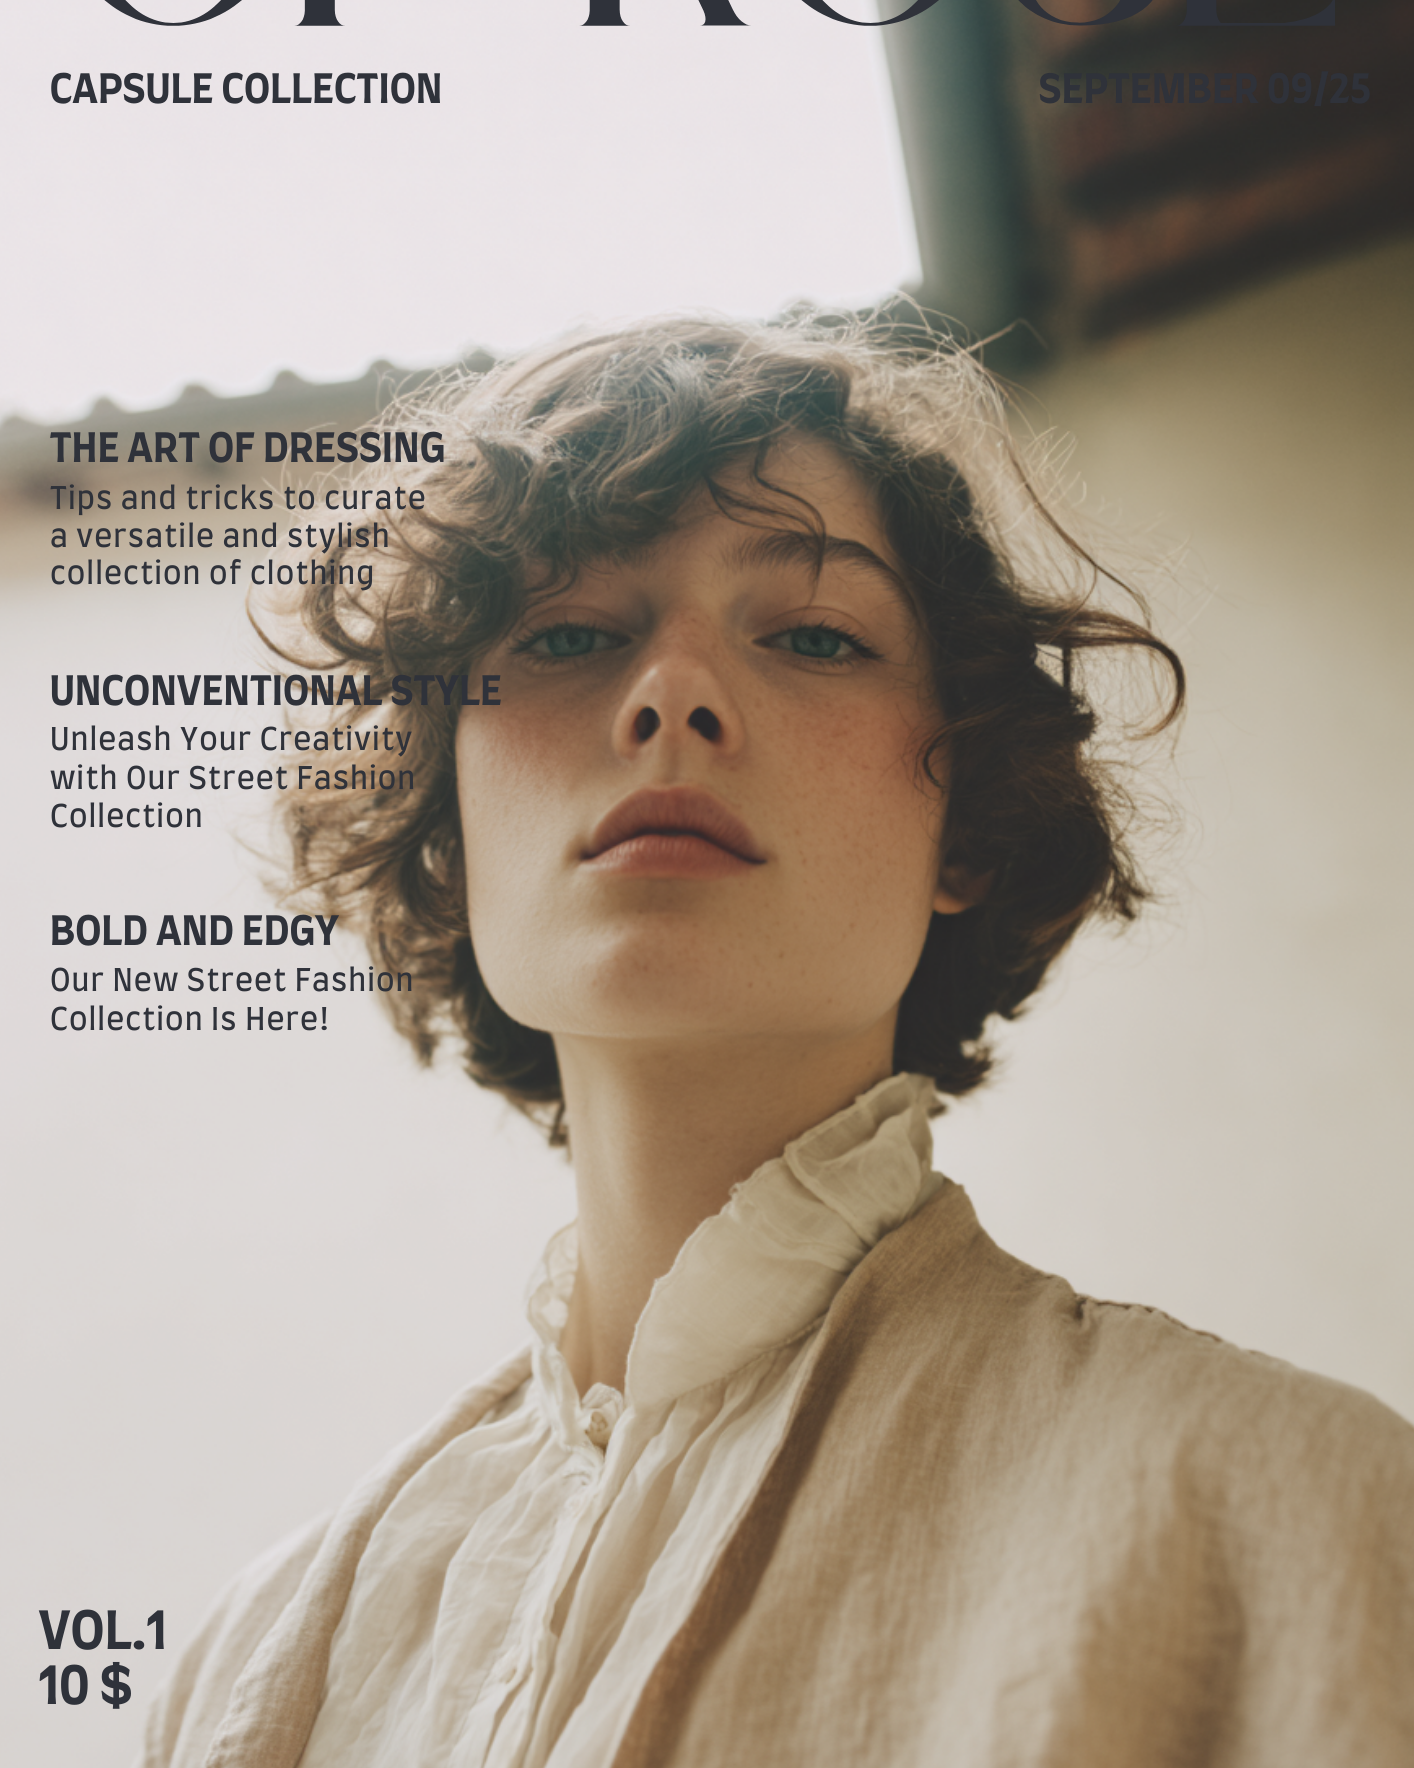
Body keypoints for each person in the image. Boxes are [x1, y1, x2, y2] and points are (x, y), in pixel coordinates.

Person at [140, 315, 1414, 1768]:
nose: (671, 694)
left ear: (966, 826)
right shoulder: (245, 1679)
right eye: (566, 635)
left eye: (813, 635)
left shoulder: (1297, 1515)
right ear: (447, 823)